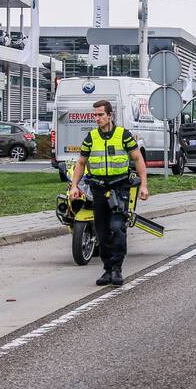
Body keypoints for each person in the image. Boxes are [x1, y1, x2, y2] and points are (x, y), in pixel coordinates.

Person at [69, 99, 149, 287]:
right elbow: (81, 163)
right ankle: (107, 269)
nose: (97, 118)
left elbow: (138, 159)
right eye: (94, 115)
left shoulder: (123, 135)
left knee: (117, 227)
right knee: (102, 232)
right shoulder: (91, 137)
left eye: (100, 115)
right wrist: (74, 186)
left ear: (109, 115)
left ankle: (116, 269)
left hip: (119, 188)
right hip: (98, 189)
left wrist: (144, 185)